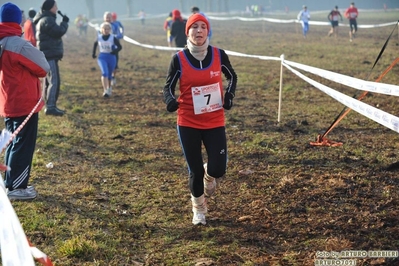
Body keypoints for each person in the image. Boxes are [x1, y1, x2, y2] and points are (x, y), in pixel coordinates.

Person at [163, 13, 237, 225]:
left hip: (214, 120)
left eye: (203, 27)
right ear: (188, 32)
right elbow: (167, 86)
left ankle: (209, 175)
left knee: (218, 169)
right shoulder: (178, 59)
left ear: (208, 31)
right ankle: (199, 210)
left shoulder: (218, 55)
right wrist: (170, 100)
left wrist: (229, 95)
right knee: (194, 170)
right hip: (188, 121)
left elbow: (232, 76)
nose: (199, 31)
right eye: (194, 27)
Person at [0, 2, 50, 200]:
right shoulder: (17, 44)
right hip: (24, 102)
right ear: (16, 20)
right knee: (22, 144)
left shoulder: (2, 41)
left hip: (8, 100)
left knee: (13, 142)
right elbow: (43, 67)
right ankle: (18, 188)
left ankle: (9, 183)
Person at [33, 0, 69, 116]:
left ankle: (50, 105)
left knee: (50, 81)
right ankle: (51, 107)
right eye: (55, 6)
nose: (57, 8)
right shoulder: (47, 20)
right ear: (50, 8)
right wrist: (64, 23)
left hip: (48, 54)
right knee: (54, 81)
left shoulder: (45, 19)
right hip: (49, 55)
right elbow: (58, 32)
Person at [92, 22, 122, 98]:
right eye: (104, 29)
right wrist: (93, 53)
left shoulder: (113, 38)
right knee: (104, 73)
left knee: (109, 75)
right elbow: (95, 44)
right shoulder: (99, 37)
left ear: (110, 30)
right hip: (102, 57)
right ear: (101, 30)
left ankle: (109, 88)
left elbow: (120, 47)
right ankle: (105, 90)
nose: (106, 30)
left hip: (111, 57)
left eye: (108, 29)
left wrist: (114, 51)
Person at [111, 12, 124, 86]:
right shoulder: (107, 25)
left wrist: (121, 34)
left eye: (114, 18)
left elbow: (121, 28)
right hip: (109, 46)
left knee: (115, 62)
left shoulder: (118, 23)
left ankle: (113, 76)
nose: (113, 19)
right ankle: (109, 76)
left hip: (116, 44)